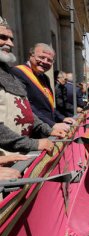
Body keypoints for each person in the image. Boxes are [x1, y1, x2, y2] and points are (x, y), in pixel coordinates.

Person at [0, 19, 65, 155]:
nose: (10, 43)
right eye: (3, 37)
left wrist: (48, 129)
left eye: (11, 39)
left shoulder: (8, 72)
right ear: (31, 56)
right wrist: (32, 143)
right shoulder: (18, 72)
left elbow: (26, 110)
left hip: (20, 149)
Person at [12, 43, 75, 129]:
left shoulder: (45, 77)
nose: (45, 62)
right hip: (32, 130)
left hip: (47, 128)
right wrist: (52, 124)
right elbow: (27, 106)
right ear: (30, 56)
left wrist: (62, 118)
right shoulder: (18, 72)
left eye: (49, 60)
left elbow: (48, 106)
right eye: (41, 57)